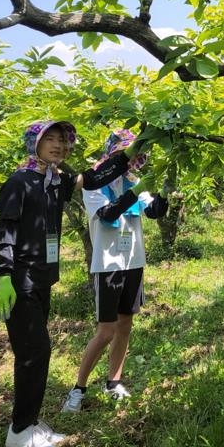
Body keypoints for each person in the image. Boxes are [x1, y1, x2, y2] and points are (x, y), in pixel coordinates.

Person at [0, 120, 147, 447]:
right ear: (34, 142)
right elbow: (5, 230)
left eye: (63, 140)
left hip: (42, 279)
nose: (58, 145)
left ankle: (30, 423)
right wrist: (3, 274)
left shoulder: (55, 181)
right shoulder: (19, 182)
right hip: (19, 281)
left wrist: (126, 156)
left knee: (35, 353)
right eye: (51, 139)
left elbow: (92, 178)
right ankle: (19, 431)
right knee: (36, 352)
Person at [62, 129, 168, 413]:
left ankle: (113, 382)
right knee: (106, 330)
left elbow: (153, 211)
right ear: (112, 154)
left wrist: (166, 191)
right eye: (123, 153)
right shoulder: (94, 183)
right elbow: (108, 214)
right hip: (107, 265)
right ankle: (78, 388)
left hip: (133, 261)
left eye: (133, 154)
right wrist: (135, 191)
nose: (131, 160)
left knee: (125, 325)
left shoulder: (134, 180)